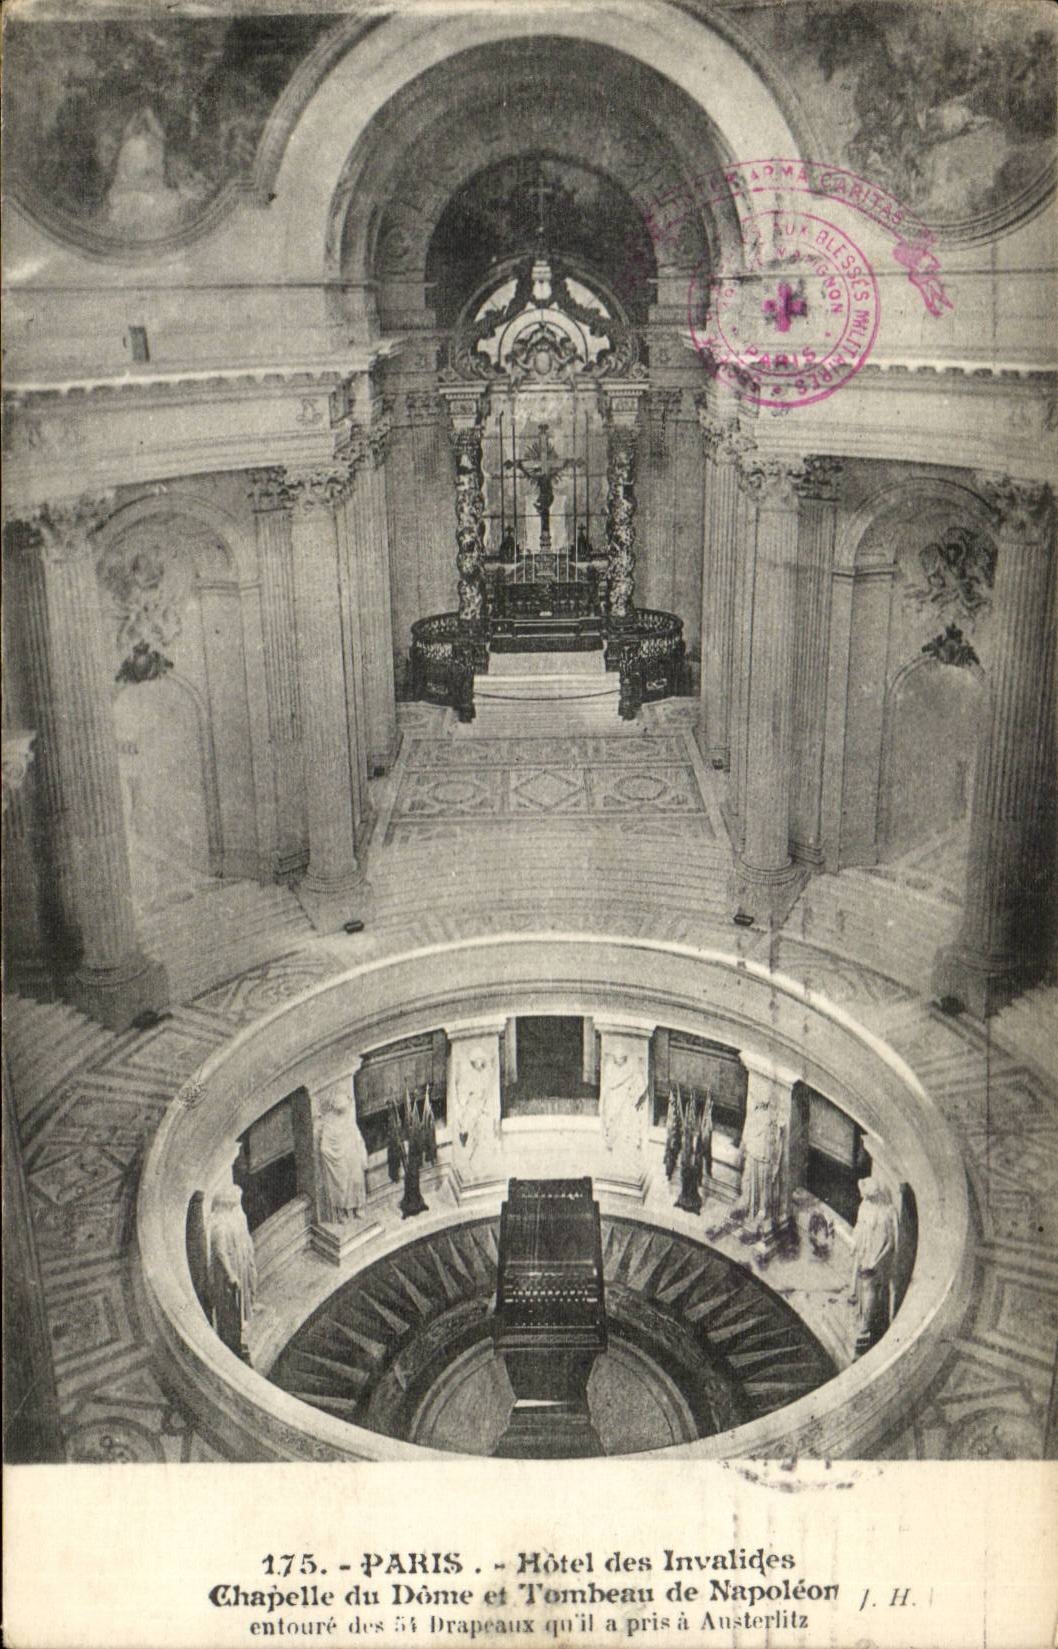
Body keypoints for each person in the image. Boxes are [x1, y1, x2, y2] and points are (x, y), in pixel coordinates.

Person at [849, 1175, 899, 1352]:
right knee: (863, 1289)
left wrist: (877, 1261)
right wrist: (855, 1244)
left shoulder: (887, 1213)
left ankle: (865, 1328)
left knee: (870, 1291)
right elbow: (859, 1227)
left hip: (876, 1260)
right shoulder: (865, 1206)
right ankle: (862, 1319)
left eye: (867, 1196)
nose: (864, 1198)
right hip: (865, 1254)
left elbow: (891, 1243)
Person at [208, 1184, 257, 1360]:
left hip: (238, 1267)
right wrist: (231, 1275)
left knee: (239, 1308)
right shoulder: (220, 1225)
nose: (237, 1205)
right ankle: (232, 1347)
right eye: (235, 1202)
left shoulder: (233, 1219)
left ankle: (238, 1338)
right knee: (231, 1312)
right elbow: (220, 1252)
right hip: (228, 1276)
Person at [315, 1088, 370, 1223]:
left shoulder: (348, 1117)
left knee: (357, 1181)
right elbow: (324, 1147)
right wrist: (336, 1157)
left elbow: (357, 1137)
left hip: (353, 1156)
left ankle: (358, 1208)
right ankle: (342, 1213)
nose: (345, 1110)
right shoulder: (329, 1122)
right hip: (339, 1161)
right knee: (341, 1186)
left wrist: (362, 1155)